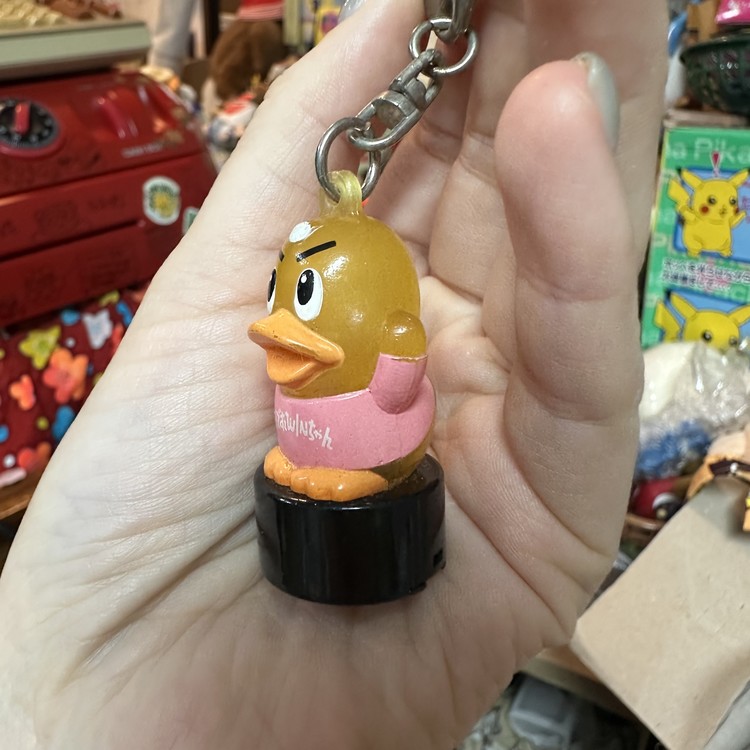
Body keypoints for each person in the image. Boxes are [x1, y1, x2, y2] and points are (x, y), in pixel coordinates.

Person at [0, 0, 666, 747]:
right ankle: (325, 477)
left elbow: (398, 384)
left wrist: (399, 356)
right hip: (302, 462)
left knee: (355, 452)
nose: (278, 319)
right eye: (284, 292)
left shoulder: (374, 362)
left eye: (301, 293)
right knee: (300, 463)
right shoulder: (292, 383)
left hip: (376, 444)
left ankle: (343, 479)